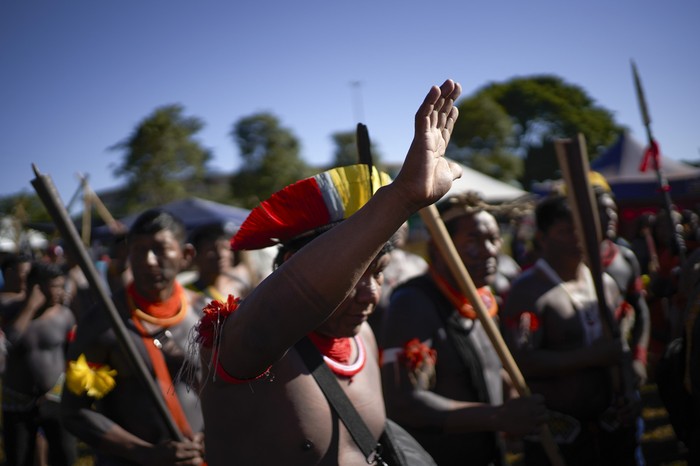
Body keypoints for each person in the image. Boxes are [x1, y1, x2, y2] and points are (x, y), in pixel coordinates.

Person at [195, 79, 462, 465]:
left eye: (380, 272)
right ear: (292, 264)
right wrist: (401, 198)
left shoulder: (364, 337)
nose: (371, 294)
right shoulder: (244, 344)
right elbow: (296, 299)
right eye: (356, 276)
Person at [379, 192, 546, 466]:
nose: (491, 249)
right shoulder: (412, 303)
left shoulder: (483, 300)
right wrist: (497, 416)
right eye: (474, 239)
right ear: (439, 248)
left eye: (493, 238)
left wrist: (513, 399)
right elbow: (404, 402)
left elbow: (491, 366)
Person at [500, 194, 641, 466]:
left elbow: (619, 347)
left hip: (611, 427)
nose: (577, 238)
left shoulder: (605, 285)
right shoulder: (528, 291)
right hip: (560, 437)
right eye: (565, 231)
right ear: (542, 238)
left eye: (581, 229)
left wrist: (630, 384)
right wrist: (592, 356)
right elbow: (523, 362)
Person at [60, 209, 205, 465]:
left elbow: (233, 388)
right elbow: (73, 412)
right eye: (139, 249)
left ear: (186, 255)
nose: (149, 260)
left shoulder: (205, 314)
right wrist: (143, 452)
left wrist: (210, 435)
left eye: (160, 249)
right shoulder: (104, 323)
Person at [2, 261, 77, 466]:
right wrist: (29, 308)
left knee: (64, 456)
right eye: (55, 286)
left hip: (55, 399)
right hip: (17, 402)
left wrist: (58, 391)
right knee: (19, 458)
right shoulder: (9, 310)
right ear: (36, 286)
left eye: (62, 286)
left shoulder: (64, 316)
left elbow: (73, 357)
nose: (61, 292)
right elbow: (7, 343)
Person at [186, 222, 253, 312]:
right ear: (195, 255)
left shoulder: (241, 289)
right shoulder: (186, 295)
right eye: (211, 250)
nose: (221, 255)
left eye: (225, 248)